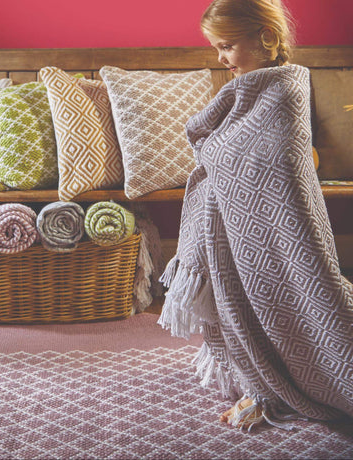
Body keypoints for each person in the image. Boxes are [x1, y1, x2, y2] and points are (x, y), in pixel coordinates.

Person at [158, 0, 353, 431]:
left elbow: (273, 161)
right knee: (241, 296)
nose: (220, 57)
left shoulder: (285, 89)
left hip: (283, 229)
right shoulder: (241, 91)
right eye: (216, 47)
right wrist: (215, 151)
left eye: (227, 46)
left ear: (265, 36)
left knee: (311, 303)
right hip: (238, 227)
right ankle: (260, 378)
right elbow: (225, 148)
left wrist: (215, 151)